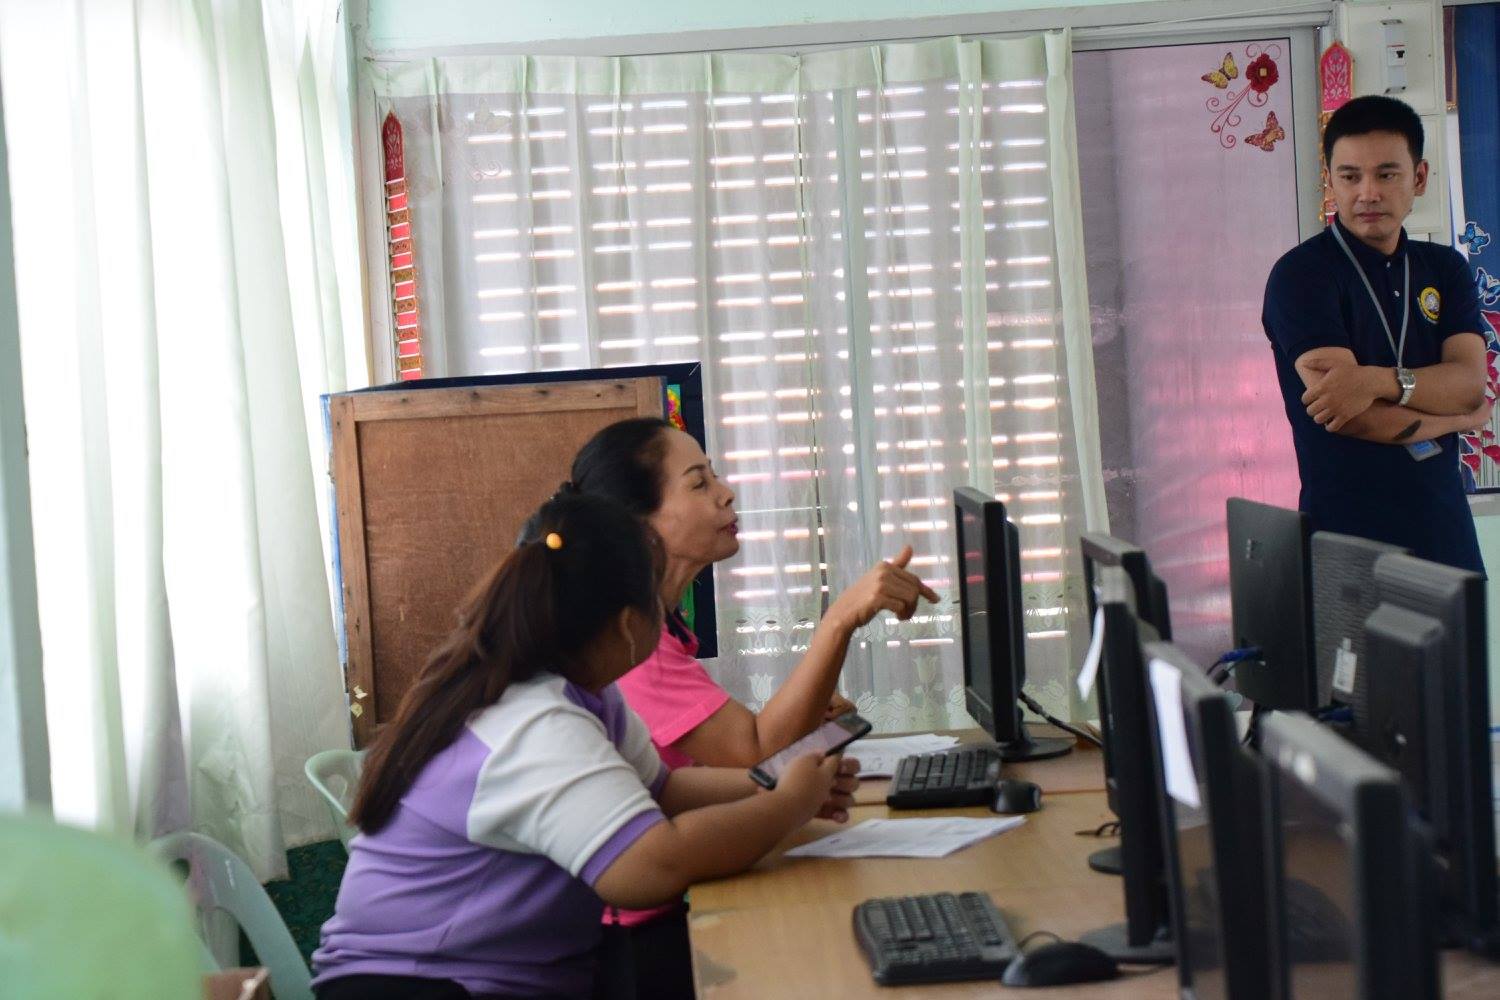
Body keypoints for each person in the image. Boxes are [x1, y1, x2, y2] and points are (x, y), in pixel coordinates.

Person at [311, 493, 858, 1000]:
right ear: (630, 625)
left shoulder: (581, 693)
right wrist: (787, 805)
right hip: (421, 986)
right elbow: (648, 869)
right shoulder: (531, 725)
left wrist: (774, 782)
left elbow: (662, 790)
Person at [547, 418, 940, 771]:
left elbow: (734, 763)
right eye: (699, 483)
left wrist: (807, 721)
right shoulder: (634, 649)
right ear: (639, 523)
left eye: (714, 476)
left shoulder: (659, 629)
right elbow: (756, 752)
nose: (726, 493)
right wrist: (839, 621)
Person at [1262, 95, 1490, 573]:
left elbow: (1470, 384)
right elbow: (1352, 417)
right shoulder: (1302, 275)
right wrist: (1453, 419)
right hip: (1347, 545)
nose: (1368, 193)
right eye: (1350, 176)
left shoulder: (1445, 269)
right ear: (1330, 181)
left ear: (1419, 178)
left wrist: (1376, 381)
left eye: (1387, 175)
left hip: (1444, 536)